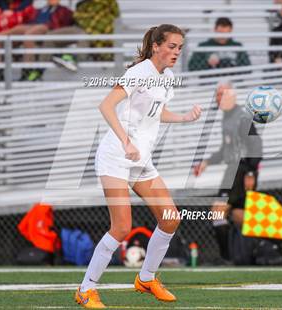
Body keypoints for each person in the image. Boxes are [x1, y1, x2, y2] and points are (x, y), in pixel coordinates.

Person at [74, 24, 202, 309]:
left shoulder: (167, 77)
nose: (176, 52)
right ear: (156, 46)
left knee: (170, 217)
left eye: (180, 48)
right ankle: (86, 289)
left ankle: (146, 278)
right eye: (171, 46)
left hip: (140, 160)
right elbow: (106, 106)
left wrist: (184, 118)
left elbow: (155, 113)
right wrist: (125, 142)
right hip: (116, 157)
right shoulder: (138, 72)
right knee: (121, 227)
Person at [193, 82, 262, 262]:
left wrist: (250, 173)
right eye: (217, 94)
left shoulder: (241, 117)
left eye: (223, 94)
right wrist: (207, 162)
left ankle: (227, 258)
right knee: (239, 216)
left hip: (241, 170)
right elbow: (226, 149)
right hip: (235, 169)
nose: (219, 98)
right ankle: (267, 245)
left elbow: (255, 145)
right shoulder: (228, 117)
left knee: (217, 212)